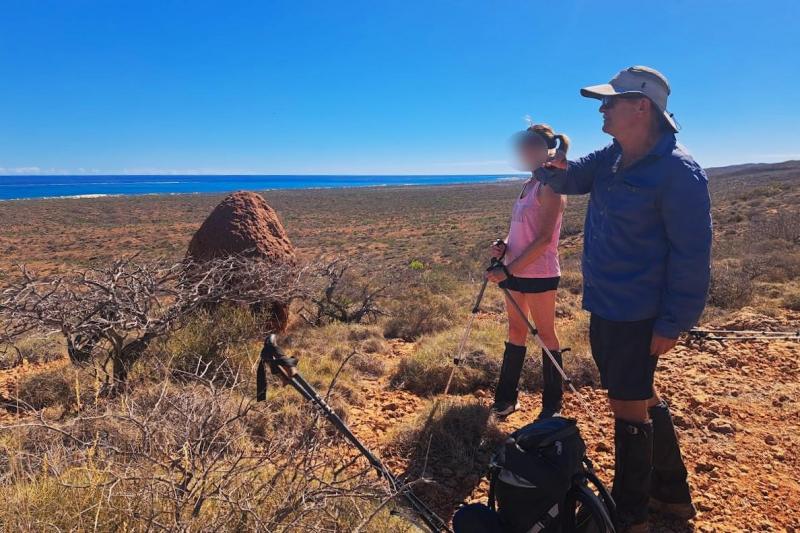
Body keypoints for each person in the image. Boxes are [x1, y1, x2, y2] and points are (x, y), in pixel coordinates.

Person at [535, 66, 712, 532]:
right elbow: (573, 178)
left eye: (611, 101)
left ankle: (629, 514)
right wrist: (549, 169)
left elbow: (692, 256)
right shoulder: (613, 156)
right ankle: (673, 496)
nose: (602, 108)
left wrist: (673, 322)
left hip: (639, 313)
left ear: (642, 106)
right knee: (642, 397)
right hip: (606, 305)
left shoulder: (678, 170)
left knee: (627, 406)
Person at [485, 123, 570, 419]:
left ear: (547, 150)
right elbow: (520, 232)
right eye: (523, 147)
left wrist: (507, 270)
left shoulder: (552, 186)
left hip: (540, 274)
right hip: (514, 271)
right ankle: (506, 399)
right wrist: (504, 245)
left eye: (532, 147)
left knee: (546, 335)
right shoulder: (529, 185)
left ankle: (552, 405)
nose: (525, 152)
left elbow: (545, 239)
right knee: (516, 330)